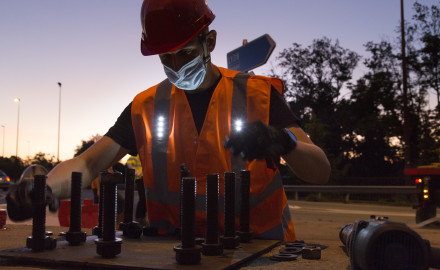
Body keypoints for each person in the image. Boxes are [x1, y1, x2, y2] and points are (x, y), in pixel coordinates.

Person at [7, 0, 330, 241]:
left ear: (210, 42)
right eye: (166, 58)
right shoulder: (146, 106)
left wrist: (284, 142)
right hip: (173, 255)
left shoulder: (257, 95)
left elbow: (321, 171)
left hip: (258, 252)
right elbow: (89, 163)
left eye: (186, 53)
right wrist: (46, 186)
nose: (177, 66)